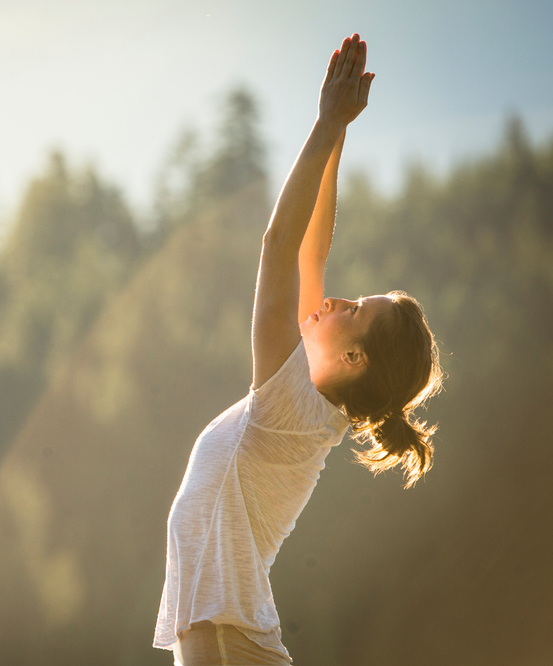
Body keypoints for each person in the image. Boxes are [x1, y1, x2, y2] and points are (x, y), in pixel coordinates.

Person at [153, 34, 443, 665]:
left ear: (355, 358)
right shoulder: (308, 402)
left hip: (227, 644)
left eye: (357, 311)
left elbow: (281, 244)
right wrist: (337, 137)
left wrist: (324, 124)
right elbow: (311, 252)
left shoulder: (293, 404)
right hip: (225, 640)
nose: (340, 299)